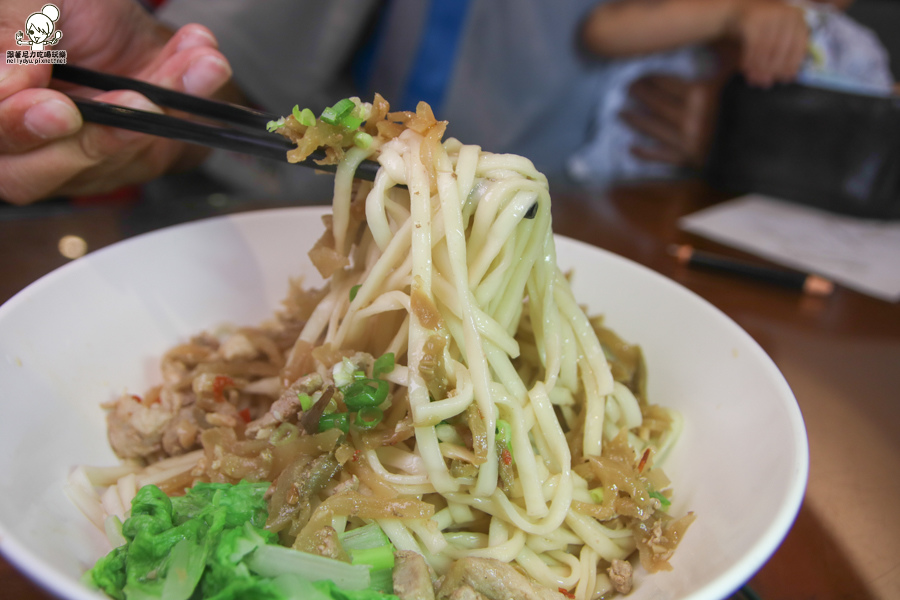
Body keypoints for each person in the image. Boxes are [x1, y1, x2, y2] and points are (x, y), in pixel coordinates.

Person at [567, 0, 894, 184]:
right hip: (615, 188)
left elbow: (872, 151)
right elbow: (603, 32)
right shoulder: (710, 7)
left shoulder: (854, 51)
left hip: (728, 211)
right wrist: (730, 14)